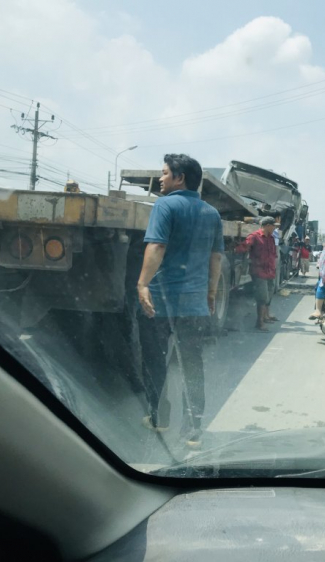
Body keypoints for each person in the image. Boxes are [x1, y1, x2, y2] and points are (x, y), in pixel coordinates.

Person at [137, 153, 223, 448]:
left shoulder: (164, 205)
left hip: (161, 302)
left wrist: (142, 284)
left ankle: (159, 418)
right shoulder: (212, 214)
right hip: (194, 305)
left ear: (179, 177)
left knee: (154, 360)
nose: (160, 179)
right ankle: (193, 430)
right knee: (191, 363)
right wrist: (211, 293)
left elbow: (158, 245)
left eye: (164, 173)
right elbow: (216, 257)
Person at [238, 216, 278, 332]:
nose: (274, 228)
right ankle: (259, 323)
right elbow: (244, 247)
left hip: (270, 271)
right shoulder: (254, 237)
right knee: (262, 297)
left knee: (269, 295)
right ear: (267, 226)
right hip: (259, 272)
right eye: (273, 226)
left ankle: (265, 317)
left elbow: (273, 255)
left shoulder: (271, 238)